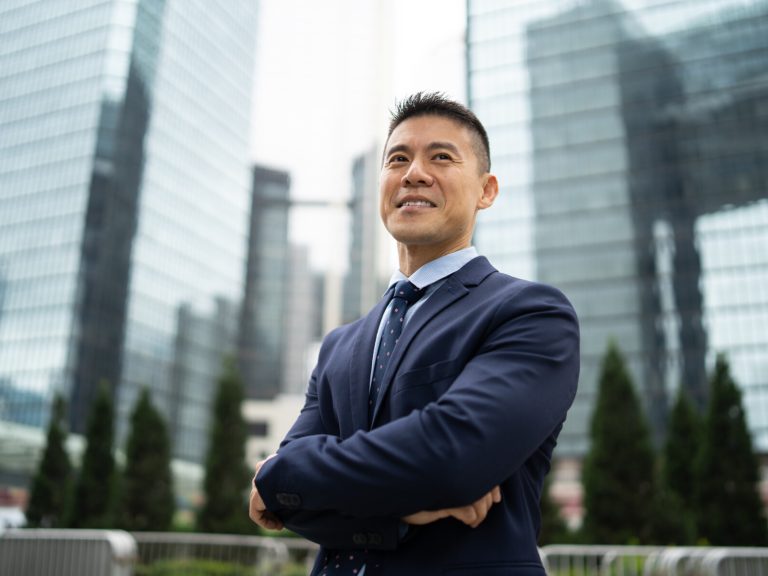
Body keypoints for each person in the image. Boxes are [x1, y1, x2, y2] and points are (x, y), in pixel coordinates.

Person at [249, 92, 579, 575]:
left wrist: (281, 475)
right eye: (397, 159)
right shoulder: (340, 344)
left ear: (486, 190)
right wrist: (402, 512)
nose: (413, 173)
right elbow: (284, 504)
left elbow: (454, 452)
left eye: (441, 157)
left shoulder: (530, 313)